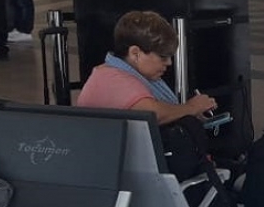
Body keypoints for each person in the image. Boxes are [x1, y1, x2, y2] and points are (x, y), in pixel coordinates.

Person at [77, 11, 217, 123]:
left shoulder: (125, 73)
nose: (169, 63)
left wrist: (189, 113)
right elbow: (152, 115)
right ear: (135, 53)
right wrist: (191, 108)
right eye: (162, 56)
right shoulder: (111, 78)